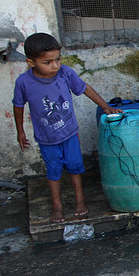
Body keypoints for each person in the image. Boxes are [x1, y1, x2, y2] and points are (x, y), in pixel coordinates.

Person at [13, 32, 120, 224]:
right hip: (46, 138)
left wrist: (104, 106)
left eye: (58, 60)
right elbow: (18, 106)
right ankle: (57, 205)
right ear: (31, 62)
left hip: (70, 133)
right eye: (47, 62)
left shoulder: (65, 73)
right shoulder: (23, 82)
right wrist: (20, 131)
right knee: (53, 171)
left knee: (75, 167)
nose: (55, 66)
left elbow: (84, 88)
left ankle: (80, 200)